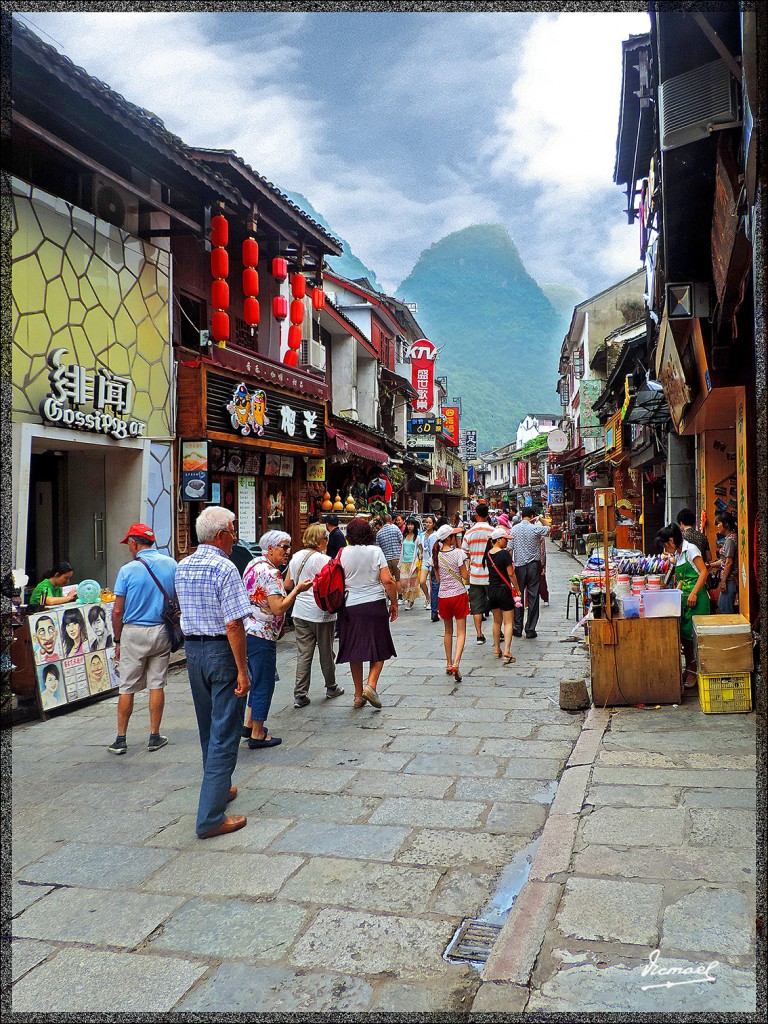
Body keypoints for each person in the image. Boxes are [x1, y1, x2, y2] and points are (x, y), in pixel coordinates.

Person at [175, 506, 252, 839]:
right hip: (221, 650)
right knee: (225, 730)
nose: (234, 537)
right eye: (232, 530)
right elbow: (234, 623)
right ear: (221, 535)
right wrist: (242, 669)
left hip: (193, 651)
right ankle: (210, 817)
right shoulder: (225, 567)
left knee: (208, 725)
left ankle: (219, 787)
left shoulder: (183, 565)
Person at [108, 523, 177, 756]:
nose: (129, 548)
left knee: (127, 686)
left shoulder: (128, 570)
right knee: (157, 683)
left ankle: (121, 739)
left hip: (134, 631)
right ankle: (154, 735)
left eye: (129, 544)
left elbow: (117, 611)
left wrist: (117, 640)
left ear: (134, 543)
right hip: (161, 630)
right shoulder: (171, 564)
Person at [242, 530, 314, 745]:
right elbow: (278, 608)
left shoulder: (253, 564)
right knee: (264, 683)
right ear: (270, 548)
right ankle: (257, 734)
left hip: (248, 630)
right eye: (284, 546)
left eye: (289, 546)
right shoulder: (272, 573)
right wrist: (298, 590)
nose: (288, 552)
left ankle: (249, 725)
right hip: (261, 633)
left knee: (257, 679)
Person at [338, 517, 399, 708]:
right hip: (374, 604)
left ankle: (358, 695)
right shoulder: (375, 551)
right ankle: (370, 685)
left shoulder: (342, 553)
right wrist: (394, 602)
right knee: (379, 647)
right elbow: (388, 580)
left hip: (350, 606)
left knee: (354, 650)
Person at [284, 523, 345, 709]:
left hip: (300, 612)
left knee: (304, 653)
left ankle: (300, 694)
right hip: (321, 612)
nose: (327, 541)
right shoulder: (324, 560)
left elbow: (288, 584)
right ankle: (331, 686)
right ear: (320, 541)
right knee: (326, 652)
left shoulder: (295, 557)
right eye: (325, 538)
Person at [657, 522, 710, 688]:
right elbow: (682, 579)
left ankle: (696, 671)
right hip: (684, 601)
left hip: (697, 600)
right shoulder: (679, 554)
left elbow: (703, 572)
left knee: (696, 639)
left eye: (666, 544)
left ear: (672, 540)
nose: (665, 549)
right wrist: (673, 593)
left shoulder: (691, 549)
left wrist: (693, 592)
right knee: (686, 639)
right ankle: (689, 667)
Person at [433, 524, 469, 681]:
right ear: (449, 538)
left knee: (448, 631)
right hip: (459, 595)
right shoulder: (458, 554)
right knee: (461, 632)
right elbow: (465, 576)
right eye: (454, 535)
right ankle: (456, 663)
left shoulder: (435, 556)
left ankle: (448, 663)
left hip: (443, 596)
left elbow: (439, 579)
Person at [510, 508, 550, 639]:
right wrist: (540, 518)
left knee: (518, 596)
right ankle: (530, 629)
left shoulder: (514, 529)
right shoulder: (535, 528)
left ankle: (517, 627)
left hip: (519, 566)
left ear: (521, 515)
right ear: (532, 516)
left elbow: (510, 549)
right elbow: (549, 528)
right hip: (533, 566)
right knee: (533, 596)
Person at [484, 528, 521, 664]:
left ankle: (496, 650)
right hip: (504, 590)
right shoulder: (505, 554)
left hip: (492, 590)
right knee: (508, 622)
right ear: (498, 539)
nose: (507, 541)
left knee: (496, 621)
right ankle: (507, 651)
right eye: (505, 539)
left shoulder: (488, 554)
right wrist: (517, 589)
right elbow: (511, 574)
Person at [461, 502, 494, 644]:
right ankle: (498, 630)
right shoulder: (493, 532)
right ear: (487, 515)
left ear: (476, 515)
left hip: (475, 575)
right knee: (495, 604)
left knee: (476, 606)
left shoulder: (469, 533)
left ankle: (479, 635)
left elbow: (464, 554)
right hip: (491, 574)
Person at [711, 512, 738, 614]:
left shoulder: (730, 540)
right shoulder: (730, 538)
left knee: (725, 609)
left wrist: (723, 581)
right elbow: (724, 561)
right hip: (729, 579)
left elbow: (729, 562)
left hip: (729, 580)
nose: (717, 526)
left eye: (719, 523)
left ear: (726, 524)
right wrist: (712, 565)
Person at [397, 518, 423, 609]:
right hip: (404, 562)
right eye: (408, 524)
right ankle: (406, 597)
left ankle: (410, 601)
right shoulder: (404, 536)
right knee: (403, 582)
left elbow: (421, 549)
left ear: (414, 526)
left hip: (413, 563)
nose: (410, 526)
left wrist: (420, 556)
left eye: (412, 525)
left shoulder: (417, 537)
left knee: (412, 583)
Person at [375, 512, 404, 584]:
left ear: (382, 522)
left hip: (386, 560)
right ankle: (399, 595)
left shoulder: (379, 533)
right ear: (391, 520)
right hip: (397, 558)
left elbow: (378, 549)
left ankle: (389, 595)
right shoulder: (396, 528)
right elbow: (402, 541)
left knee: (388, 580)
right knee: (398, 580)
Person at [419, 515, 438, 613]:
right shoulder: (422, 535)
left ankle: (433, 603)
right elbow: (421, 548)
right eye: (426, 522)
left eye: (430, 522)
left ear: (434, 524)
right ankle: (428, 597)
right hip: (425, 561)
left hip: (433, 562)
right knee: (422, 581)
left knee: (432, 583)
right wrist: (421, 553)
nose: (427, 524)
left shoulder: (435, 535)